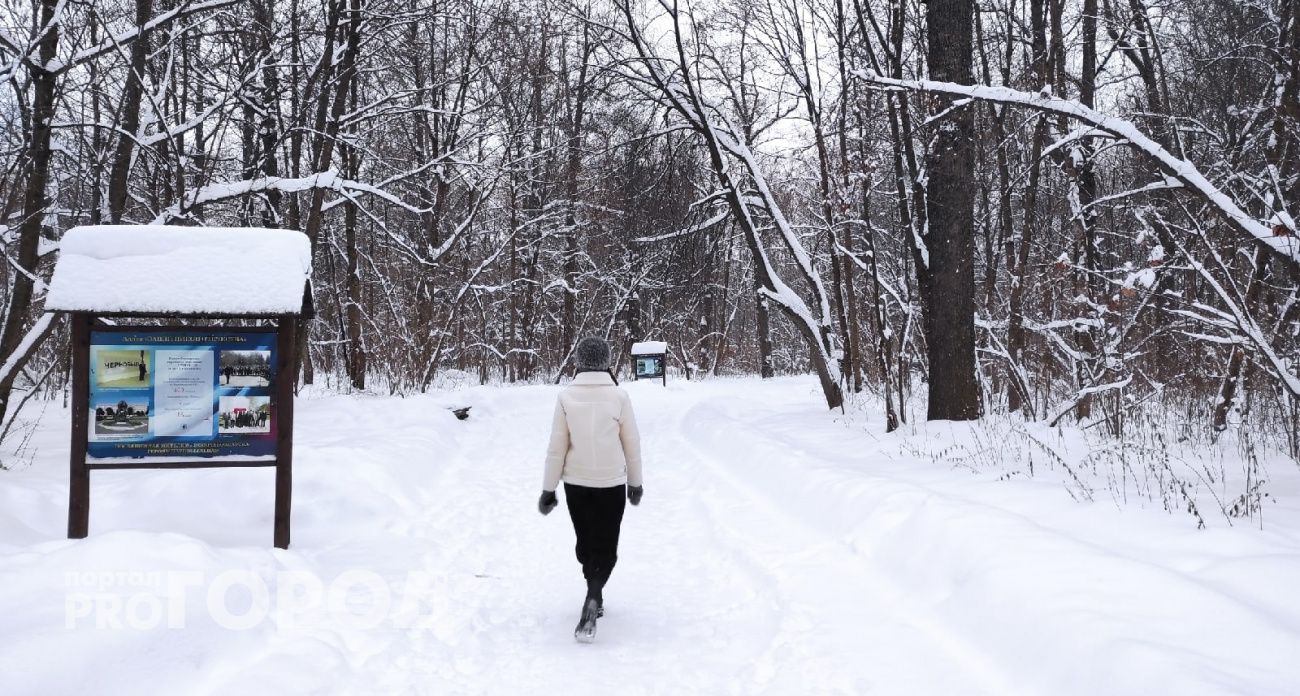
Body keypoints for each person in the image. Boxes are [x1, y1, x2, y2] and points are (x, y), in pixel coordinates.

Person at [538, 335, 643, 643]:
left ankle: (592, 592)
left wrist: (548, 489)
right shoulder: (619, 397)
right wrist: (635, 482)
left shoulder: (566, 397)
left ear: (579, 361)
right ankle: (594, 594)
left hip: (576, 483)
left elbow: (556, 447)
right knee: (607, 542)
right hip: (611, 482)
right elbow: (632, 444)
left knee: (586, 541)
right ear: (606, 361)